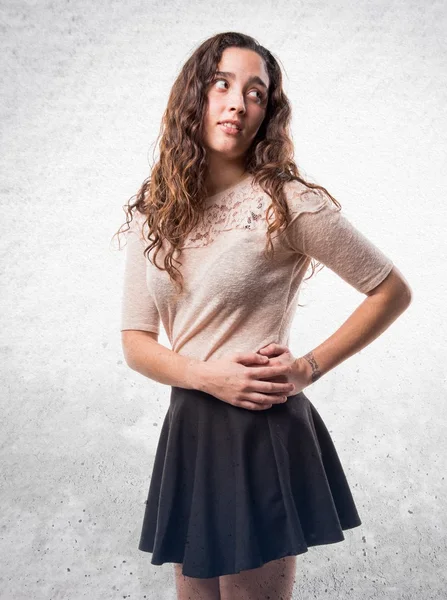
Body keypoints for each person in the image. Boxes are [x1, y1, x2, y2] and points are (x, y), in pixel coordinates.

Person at [116, 31, 411, 600]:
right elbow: (135, 341)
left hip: (260, 432)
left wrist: (307, 367)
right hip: (190, 429)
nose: (237, 102)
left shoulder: (288, 202)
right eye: (222, 84)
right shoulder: (157, 210)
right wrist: (208, 376)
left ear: (267, 111)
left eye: (256, 93)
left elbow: (390, 291)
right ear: (194, 96)